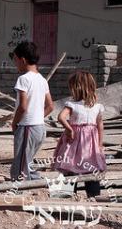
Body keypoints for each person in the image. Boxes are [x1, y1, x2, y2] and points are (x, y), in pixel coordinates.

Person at [52, 71, 105, 197]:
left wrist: (70, 129)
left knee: (71, 167)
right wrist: (99, 144)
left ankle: (68, 194)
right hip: (88, 145)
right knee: (91, 168)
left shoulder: (76, 106)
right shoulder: (93, 106)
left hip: (75, 143)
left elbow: (61, 117)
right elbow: (100, 125)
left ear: (77, 88)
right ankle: (93, 195)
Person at [10, 41, 54, 181]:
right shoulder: (42, 79)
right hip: (40, 128)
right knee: (26, 161)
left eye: (15, 60)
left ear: (22, 60)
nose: (15, 64)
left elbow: (23, 107)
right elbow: (50, 106)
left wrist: (14, 123)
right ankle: (36, 182)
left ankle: (20, 188)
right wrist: (37, 117)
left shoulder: (23, 79)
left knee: (19, 166)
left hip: (27, 128)